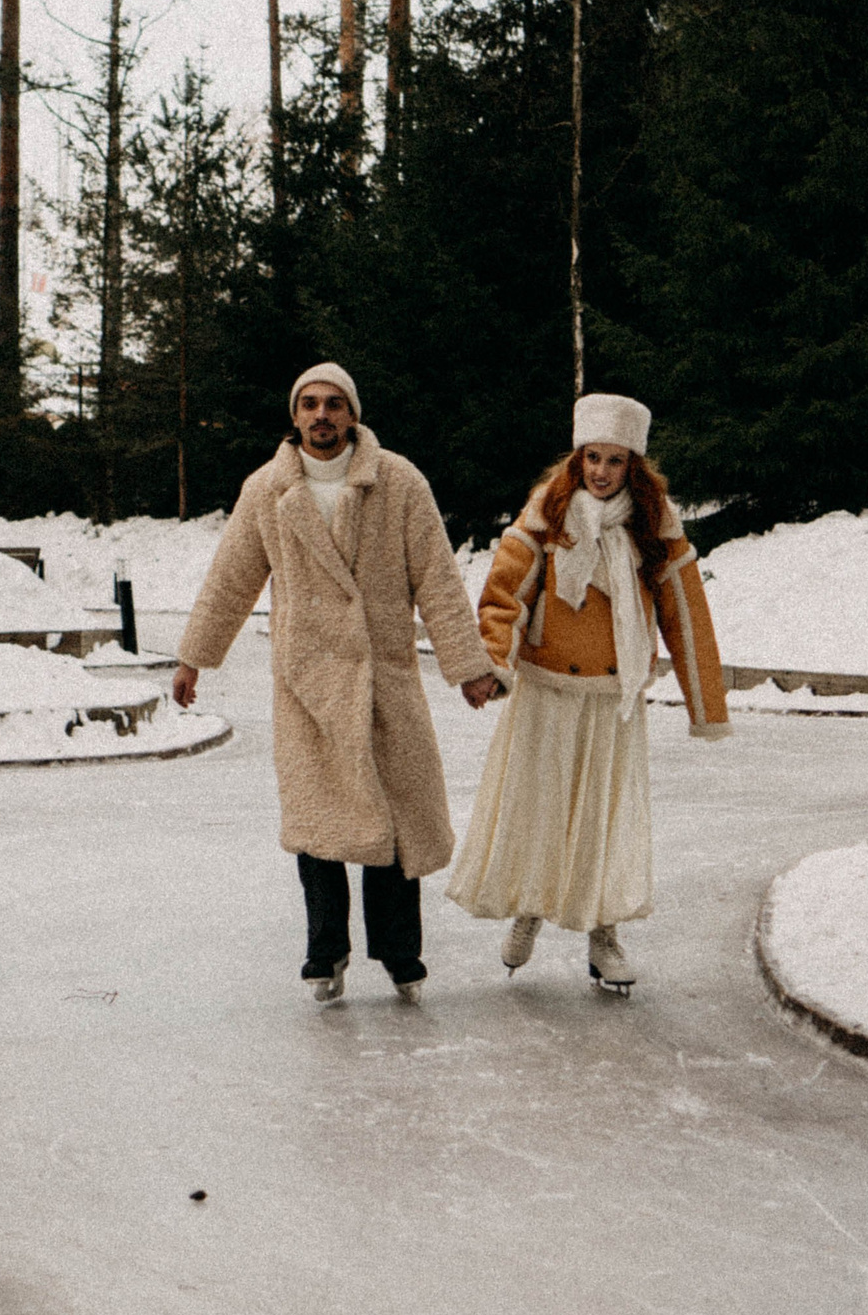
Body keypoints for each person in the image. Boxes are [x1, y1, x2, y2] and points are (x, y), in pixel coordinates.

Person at [174, 363, 500, 1005]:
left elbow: (436, 576)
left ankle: (400, 953)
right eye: (309, 405)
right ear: (294, 416)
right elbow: (231, 579)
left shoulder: (398, 482)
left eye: (334, 405)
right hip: (308, 685)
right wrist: (194, 658)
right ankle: (326, 952)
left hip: (385, 677)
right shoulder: (266, 489)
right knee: (318, 825)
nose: (321, 416)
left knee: (395, 820)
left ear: (352, 414)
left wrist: (468, 666)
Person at [446, 394, 731, 995]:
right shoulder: (545, 517)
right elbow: (504, 599)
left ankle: (604, 934)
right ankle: (527, 911)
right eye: (592, 458)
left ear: (635, 466)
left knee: (602, 819)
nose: (602, 471)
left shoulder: (654, 527)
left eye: (616, 461)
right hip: (547, 694)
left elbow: (685, 614)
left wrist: (706, 706)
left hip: (612, 697)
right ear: (577, 460)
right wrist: (492, 665)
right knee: (539, 808)